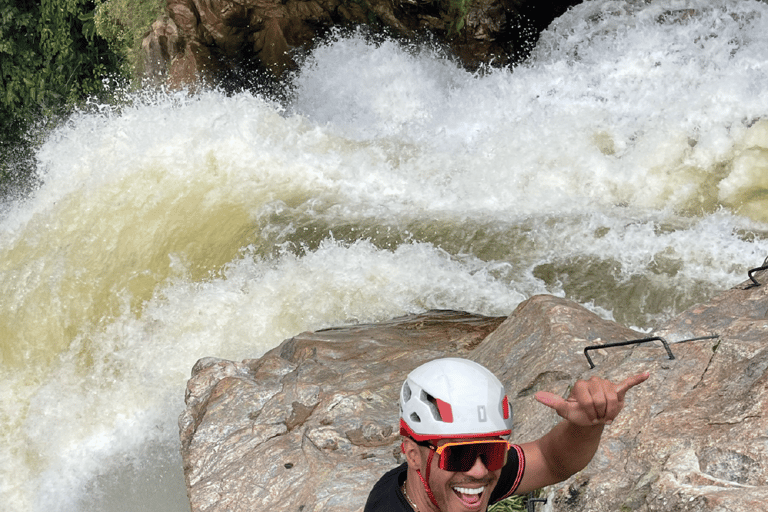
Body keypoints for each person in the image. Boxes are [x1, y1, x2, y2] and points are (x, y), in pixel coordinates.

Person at [364, 357, 649, 512]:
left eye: (492, 451)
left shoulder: (446, 482)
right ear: (413, 454)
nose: (479, 472)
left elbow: (551, 461)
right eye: (458, 455)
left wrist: (586, 425)